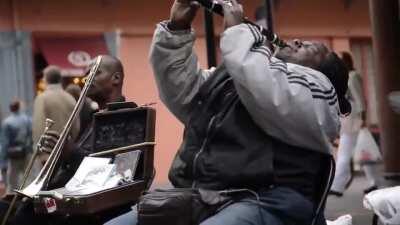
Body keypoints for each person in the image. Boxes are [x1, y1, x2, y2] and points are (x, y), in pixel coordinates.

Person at [105, 1, 350, 225]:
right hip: (207, 195)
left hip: (270, 198)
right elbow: (184, 93)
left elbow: (267, 90)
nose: (296, 41)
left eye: (311, 48)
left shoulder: (319, 90)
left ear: (326, 73)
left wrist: (240, 33)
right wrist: (177, 28)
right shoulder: (246, 72)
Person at [10, 55, 136, 225]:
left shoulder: (129, 118)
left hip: (92, 208)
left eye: (95, 73)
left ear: (116, 78)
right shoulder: (94, 118)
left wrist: (71, 152)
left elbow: (121, 174)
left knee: (24, 217)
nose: (87, 78)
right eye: (86, 74)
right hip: (68, 196)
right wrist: (60, 154)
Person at [329, 51, 378, 196]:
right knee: (364, 153)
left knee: (344, 153)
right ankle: (373, 182)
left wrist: (363, 118)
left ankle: (337, 186)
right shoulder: (346, 77)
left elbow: (360, 99)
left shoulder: (352, 76)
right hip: (350, 119)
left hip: (353, 120)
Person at [31, 65, 80, 172]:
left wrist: (41, 153)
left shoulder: (42, 98)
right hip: (68, 151)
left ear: (45, 79)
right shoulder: (70, 98)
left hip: (49, 154)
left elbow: (39, 127)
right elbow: (76, 126)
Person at [0, 100, 32, 193]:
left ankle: (13, 202)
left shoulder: (7, 122)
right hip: (26, 153)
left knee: (13, 181)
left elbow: (5, 143)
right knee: (28, 179)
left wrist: (3, 160)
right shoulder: (28, 119)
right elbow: (31, 137)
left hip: (13, 155)